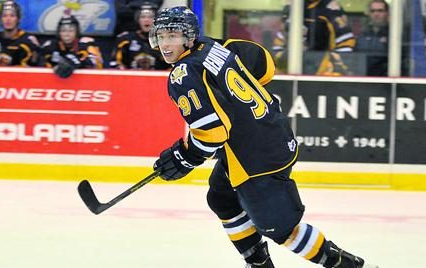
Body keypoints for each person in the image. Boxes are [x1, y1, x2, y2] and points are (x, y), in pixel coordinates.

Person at [149, 6, 378, 268]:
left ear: (189, 37)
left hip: (255, 159)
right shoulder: (213, 46)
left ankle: (347, 265)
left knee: (280, 230)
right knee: (222, 198)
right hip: (272, 133)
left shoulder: (182, 75)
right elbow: (265, 65)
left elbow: (212, 134)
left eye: (173, 36)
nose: (166, 44)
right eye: (162, 36)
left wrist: (184, 156)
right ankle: (258, 263)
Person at [273, 0, 356, 76]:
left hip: (321, 73)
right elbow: (279, 42)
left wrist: (330, 67)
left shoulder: (331, 9)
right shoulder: (293, 6)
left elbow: (345, 45)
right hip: (290, 70)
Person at [0, 1, 41, 67]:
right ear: (0, 19)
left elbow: (35, 68)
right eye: (4, 16)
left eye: (12, 16)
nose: (8, 19)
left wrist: (37, 50)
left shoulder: (28, 41)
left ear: (18, 19)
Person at [112, 2, 168, 70]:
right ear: (137, 19)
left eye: (151, 17)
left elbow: (171, 66)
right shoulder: (125, 40)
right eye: (143, 17)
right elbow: (115, 64)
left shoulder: (165, 41)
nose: (146, 20)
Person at [355, 0, 389, 76]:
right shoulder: (362, 36)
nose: (376, 14)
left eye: (380, 11)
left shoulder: (393, 36)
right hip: (362, 79)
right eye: (372, 11)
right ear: (369, 14)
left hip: (385, 81)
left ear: (387, 13)